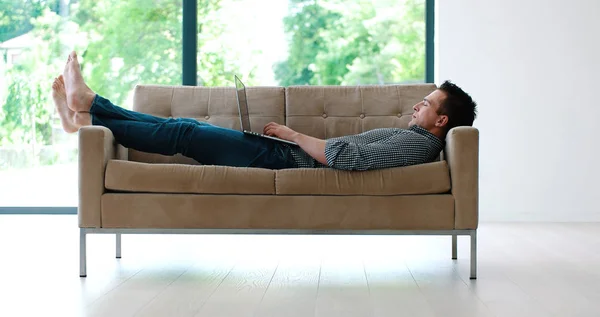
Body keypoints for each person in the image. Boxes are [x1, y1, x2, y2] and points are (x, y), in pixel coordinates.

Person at [52, 51, 477, 171]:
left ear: (442, 121)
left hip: (283, 159)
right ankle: (87, 114)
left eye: (428, 103)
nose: (418, 103)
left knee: (185, 134)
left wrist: (292, 135)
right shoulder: (415, 138)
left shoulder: (416, 145)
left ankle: (89, 108)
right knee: (183, 126)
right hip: (280, 154)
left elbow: (345, 157)